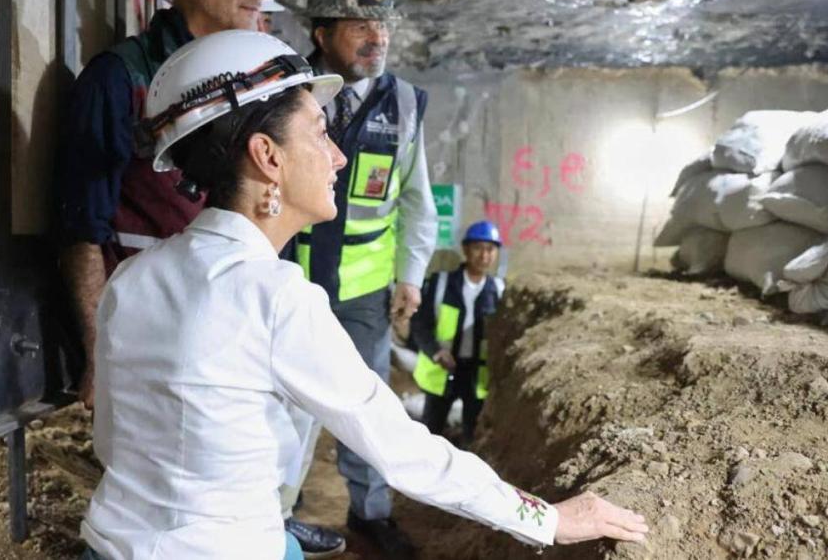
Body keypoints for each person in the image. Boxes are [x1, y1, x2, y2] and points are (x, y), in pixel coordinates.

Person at [80, 29, 649, 560]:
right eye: (319, 133)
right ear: (267, 156)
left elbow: (115, 443)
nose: (339, 156)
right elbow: (401, 450)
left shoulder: (130, 279)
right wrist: (546, 519)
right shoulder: (275, 296)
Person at [55, 0, 345, 557]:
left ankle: (273, 518)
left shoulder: (262, 70)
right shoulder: (120, 77)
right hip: (166, 325)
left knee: (279, 430)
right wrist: (99, 354)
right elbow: (82, 227)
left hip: (247, 303)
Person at [288, 0, 437, 557]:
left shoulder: (405, 104)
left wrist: (411, 278)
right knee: (284, 404)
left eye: (384, 26)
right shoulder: (287, 91)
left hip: (364, 297)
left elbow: (417, 202)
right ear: (322, 33)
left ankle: (370, 514)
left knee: (366, 405)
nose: (377, 38)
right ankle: (277, 511)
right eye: (360, 26)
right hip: (290, 283)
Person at [412, 220, 504, 447]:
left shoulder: (499, 291)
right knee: (430, 432)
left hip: (477, 374)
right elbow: (419, 325)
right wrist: (436, 352)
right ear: (465, 249)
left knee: (472, 436)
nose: (484, 255)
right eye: (478, 248)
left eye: (490, 249)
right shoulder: (441, 284)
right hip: (443, 369)